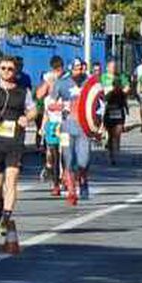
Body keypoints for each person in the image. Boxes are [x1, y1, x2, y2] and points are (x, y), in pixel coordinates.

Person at [0, 56, 37, 252]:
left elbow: (33, 110)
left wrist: (27, 118)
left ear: (15, 72)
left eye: (10, 69)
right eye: (4, 68)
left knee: (12, 179)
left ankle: (6, 217)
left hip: (15, 142)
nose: (7, 72)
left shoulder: (23, 91)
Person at [52, 59, 92, 204]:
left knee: (83, 160)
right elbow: (50, 103)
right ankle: (71, 191)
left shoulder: (89, 82)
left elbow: (98, 103)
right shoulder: (61, 83)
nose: (79, 71)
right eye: (76, 68)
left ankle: (83, 179)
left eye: (81, 68)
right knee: (68, 160)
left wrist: (98, 124)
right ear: (70, 69)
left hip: (84, 128)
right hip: (66, 127)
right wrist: (61, 106)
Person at [36, 56, 66, 196]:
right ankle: (56, 184)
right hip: (53, 124)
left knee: (65, 154)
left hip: (65, 123)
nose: (57, 73)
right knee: (54, 154)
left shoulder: (68, 81)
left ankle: (64, 178)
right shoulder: (48, 80)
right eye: (55, 70)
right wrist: (48, 83)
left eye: (59, 69)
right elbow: (39, 96)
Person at [100, 60, 130, 165]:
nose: (117, 86)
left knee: (117, 133)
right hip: (109, 114)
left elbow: (125, 100)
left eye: (119, 85)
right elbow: (103, 98)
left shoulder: (121, 92)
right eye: (115, 85)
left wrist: (127, 110)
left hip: (119, 115)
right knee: (110, 135)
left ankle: (115, 149)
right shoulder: (109, 92)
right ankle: (111, 154)